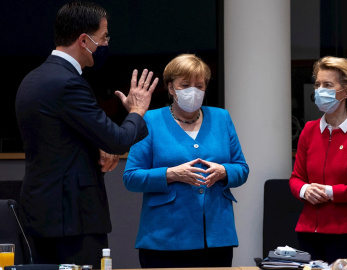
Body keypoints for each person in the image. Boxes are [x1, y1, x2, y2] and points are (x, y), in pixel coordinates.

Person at [15, 1, 159, 267]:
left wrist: (99, 149)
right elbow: (117, 139)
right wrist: (137, 111)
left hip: (39, 214)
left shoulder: (32, 79)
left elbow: (60, 141)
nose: (106, 44)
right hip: (72, 219)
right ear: (84, 40)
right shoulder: (69, 83)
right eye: (103, 37)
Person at [123, 54, 249, 268]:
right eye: (185, 85)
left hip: (216, 237)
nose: (194, 91)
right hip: (164, 239)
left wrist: (223, 171)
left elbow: (242, 169)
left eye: (199, 86)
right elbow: (131, 177)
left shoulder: (222, 118)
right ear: (171, 88)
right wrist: (171, 174)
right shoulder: (150, 121)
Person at [289, 56, 347, 264]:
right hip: (309, 231)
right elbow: (296, 178)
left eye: (327, 85)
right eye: (317, 85)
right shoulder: (309, 129)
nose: (319, 91)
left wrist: (332, 192)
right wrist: (304, 190)